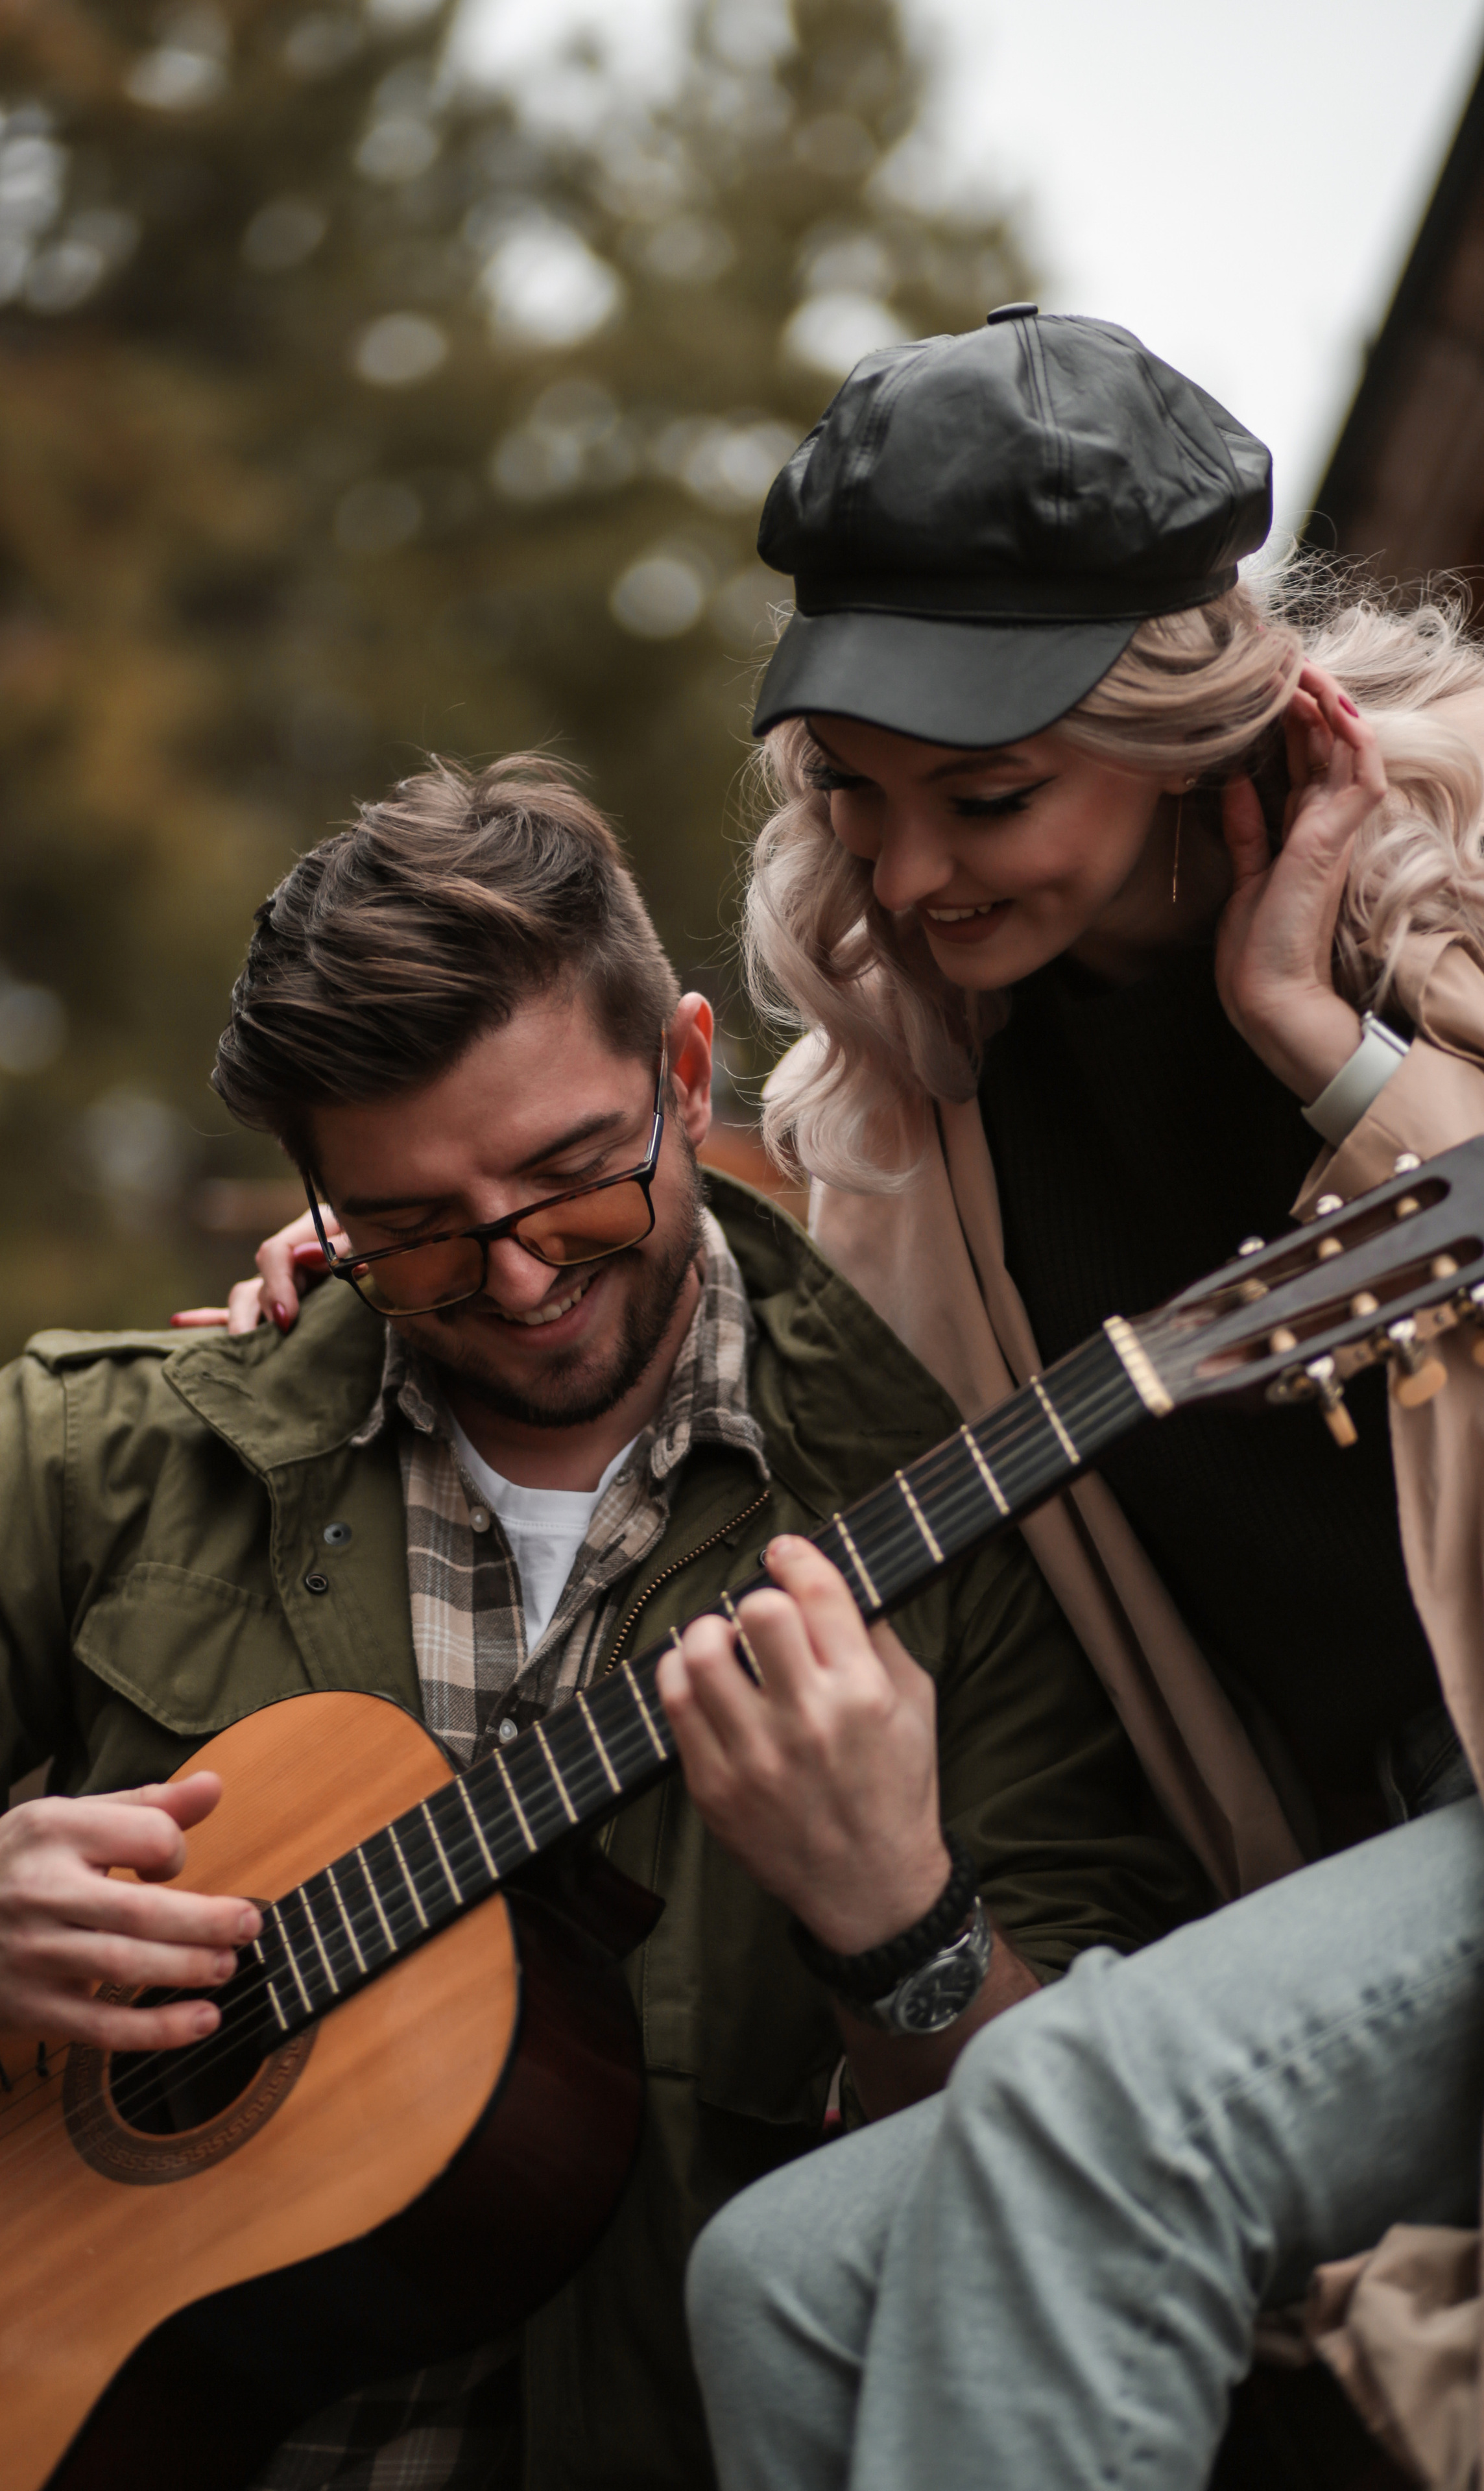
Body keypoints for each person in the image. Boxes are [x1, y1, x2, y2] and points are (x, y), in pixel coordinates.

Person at [0, 756, 1207, 2491]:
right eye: (414, 1234)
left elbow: (1116, 2214)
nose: (525, 1279)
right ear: (319, 1207)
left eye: (573, 1180)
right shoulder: (108, 1456)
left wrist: (899, 1925)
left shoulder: (946, 1529)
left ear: (689, 1073)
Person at [672, 309, 1484, 2487]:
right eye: (861, 800)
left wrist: (1314, 1033)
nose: (914, 878)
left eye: (988, 794)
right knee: (784, 2279)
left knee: (1077, 2111)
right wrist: (362, 1287)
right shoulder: (912, 1108)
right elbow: (745, 1356)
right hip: (1352, 1862)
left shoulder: (1462, 881)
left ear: (1181, 719)